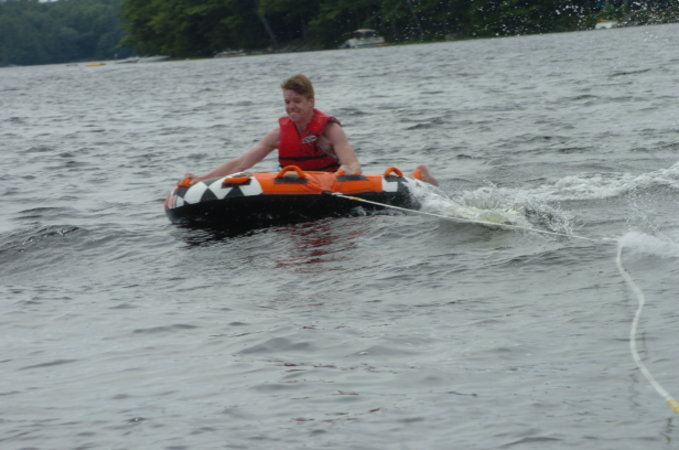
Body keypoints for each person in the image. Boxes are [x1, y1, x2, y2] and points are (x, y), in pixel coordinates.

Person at [185, 74, 437, 186]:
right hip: (295, 183)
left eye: (296, 101)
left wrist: (344, 174)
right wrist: (203, 179)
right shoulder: (279, 134)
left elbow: (352, 164)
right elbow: (241, 163)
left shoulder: (330, 129)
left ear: (310, 102)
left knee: (376, 179)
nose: (291, 107)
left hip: (329, 180)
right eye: (287, 102)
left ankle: (416, 176)